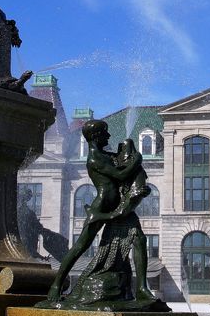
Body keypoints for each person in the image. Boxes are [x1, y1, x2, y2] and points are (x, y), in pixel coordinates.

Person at [45, 120, 155, 303]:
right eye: (105, 133)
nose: (109, 136)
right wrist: (138, 160)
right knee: (80, 246)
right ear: (96, 137)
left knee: (140, 240)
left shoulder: (105, 155)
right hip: (101, 207)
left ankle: (142, 288)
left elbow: (123, 164)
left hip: (118, 205)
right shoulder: (94, 159)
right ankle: (56, 285)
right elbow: (121, 174)